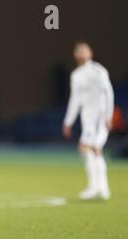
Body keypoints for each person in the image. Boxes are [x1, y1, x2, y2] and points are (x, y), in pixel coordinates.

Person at [63, 41, 114, 200]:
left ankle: (101, 188)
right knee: (87, 148)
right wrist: (68, 121)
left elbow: (108, 92)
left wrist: (108, 115)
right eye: (78, 50)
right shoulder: (76, 75)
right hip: (87, 118)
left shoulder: (98, 71)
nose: (81, 52)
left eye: (84, 50)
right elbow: (75, 100)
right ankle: (96, 187)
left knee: (93, 147)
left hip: (100, 116)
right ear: (75, 55)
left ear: (90, 53)